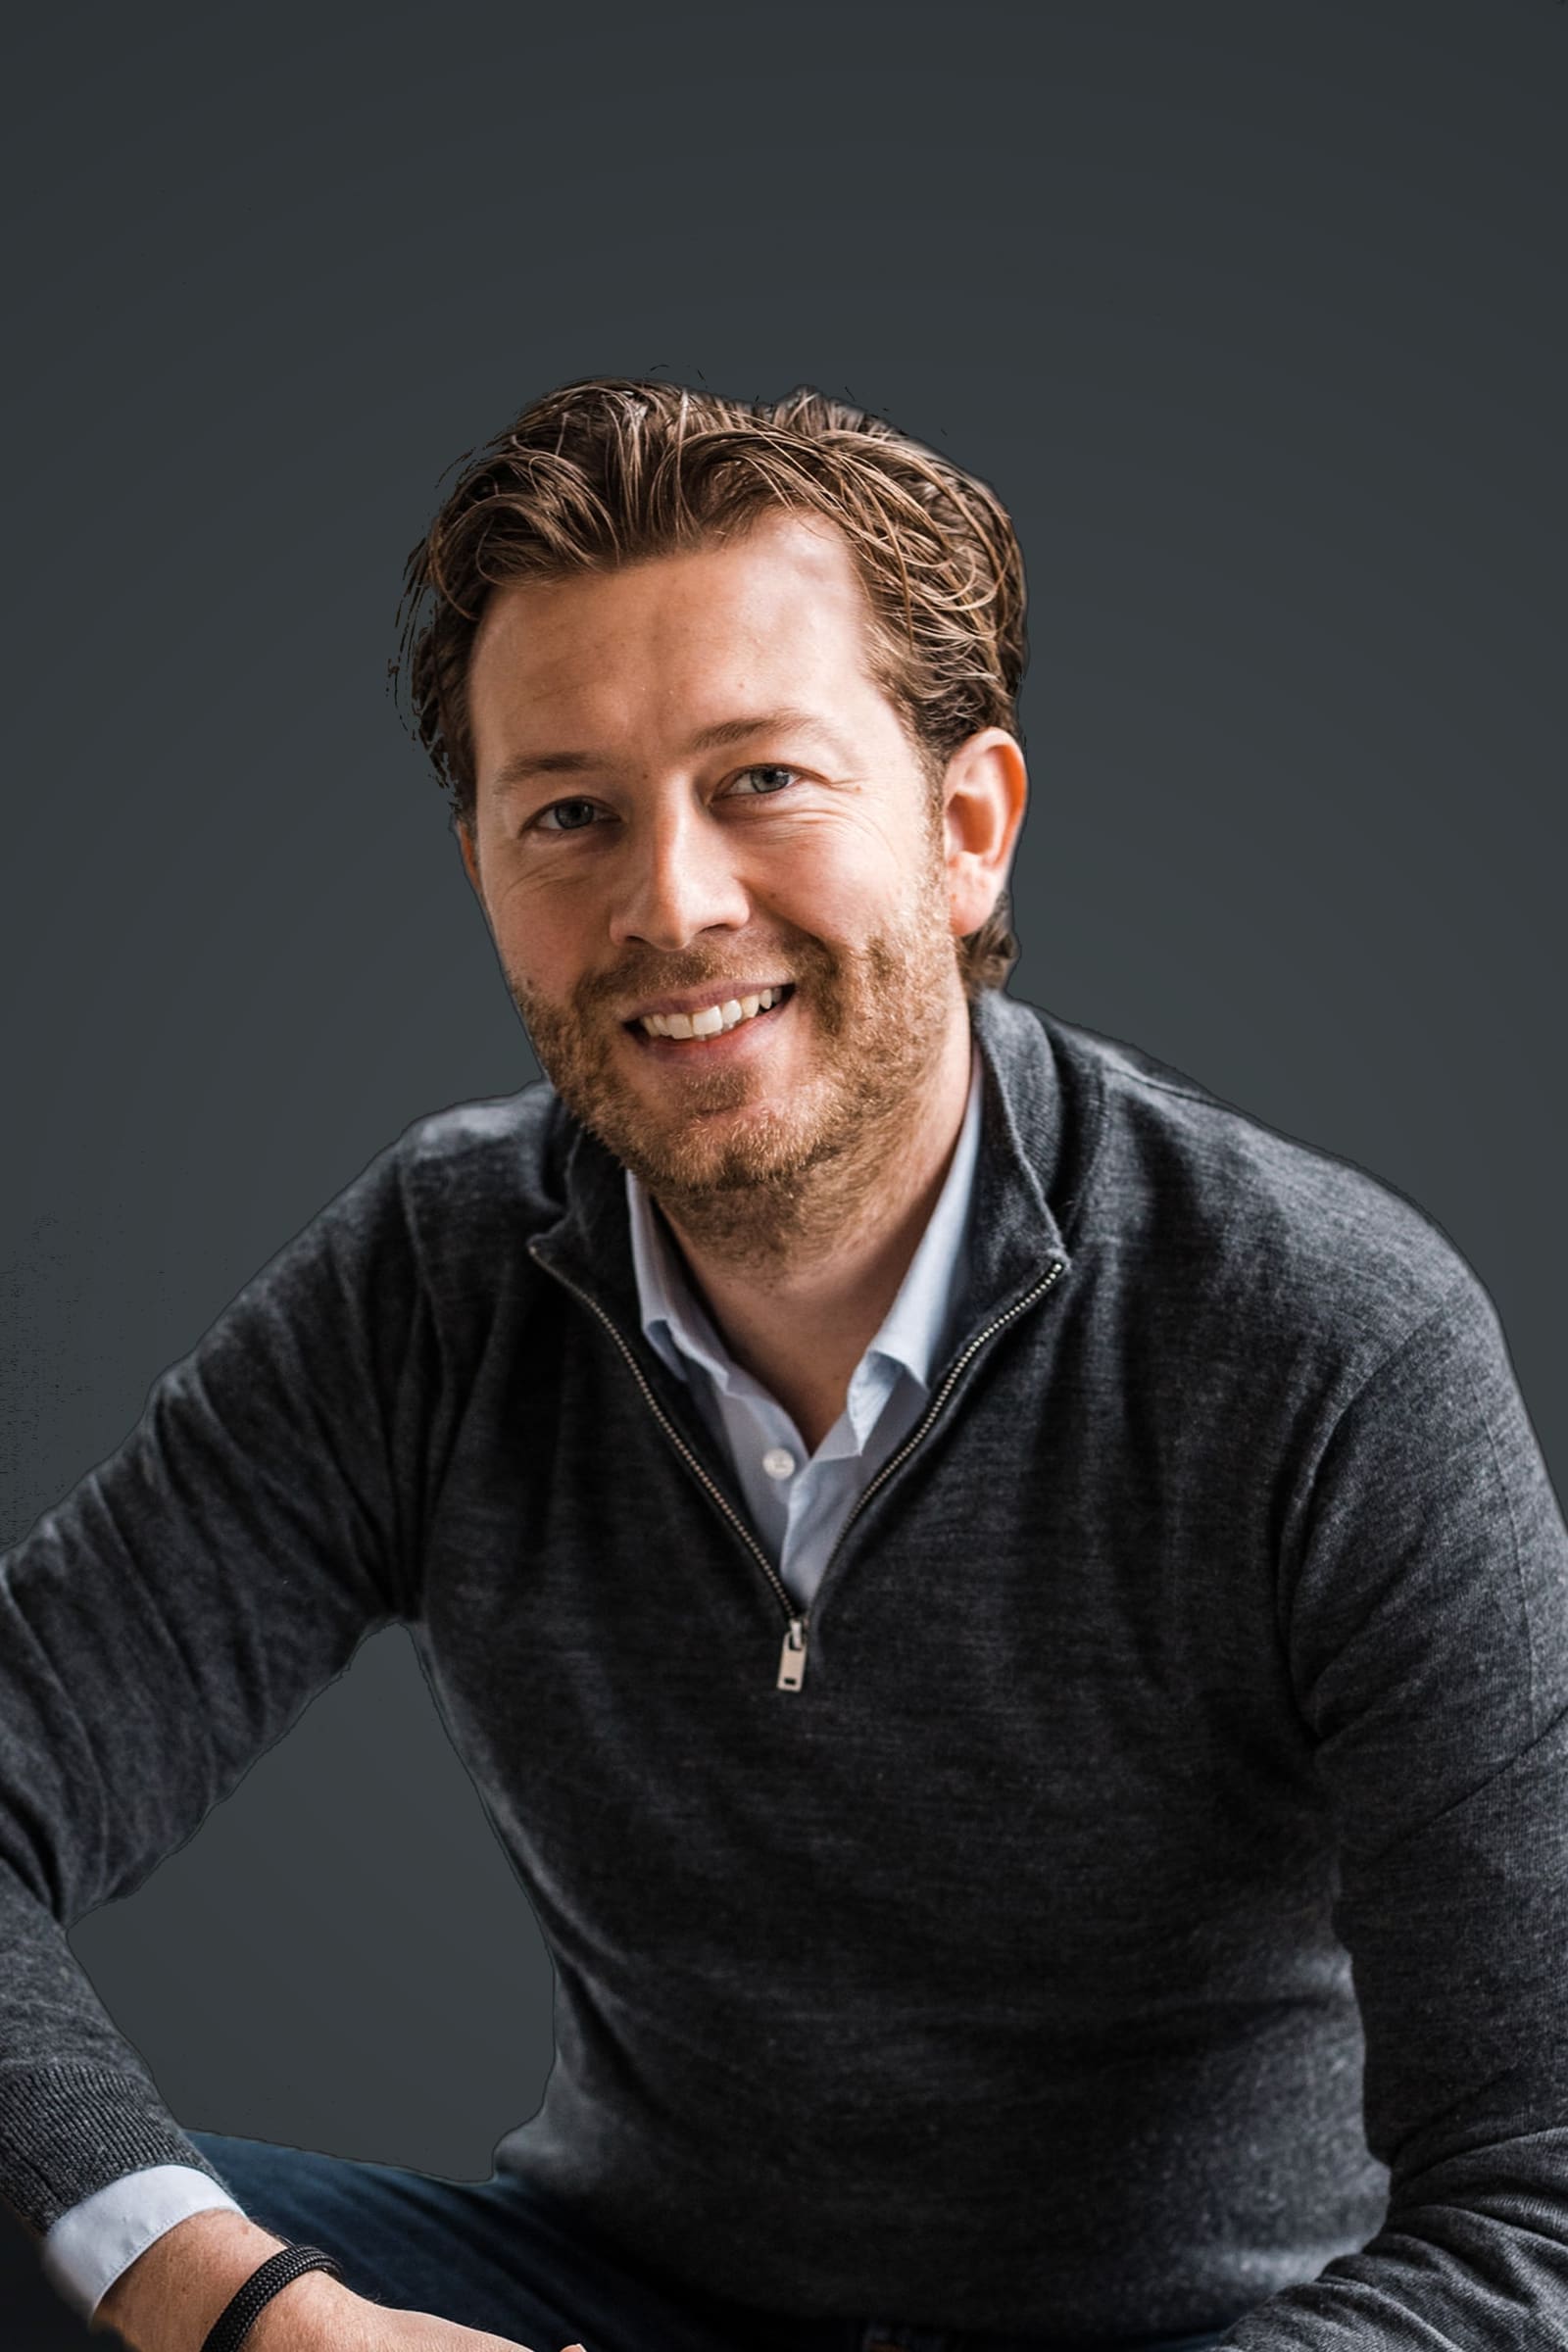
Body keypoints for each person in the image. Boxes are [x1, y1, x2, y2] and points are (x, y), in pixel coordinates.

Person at [1, 377, 1564, 2352]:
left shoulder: (1330, 1343)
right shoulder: (437, 1276)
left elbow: (1538, 2205)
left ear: (966, 829)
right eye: (569, 813)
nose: (670, 903)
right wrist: (240, 2312)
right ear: (483, 870)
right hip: (604, 2299)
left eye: (761, 780)